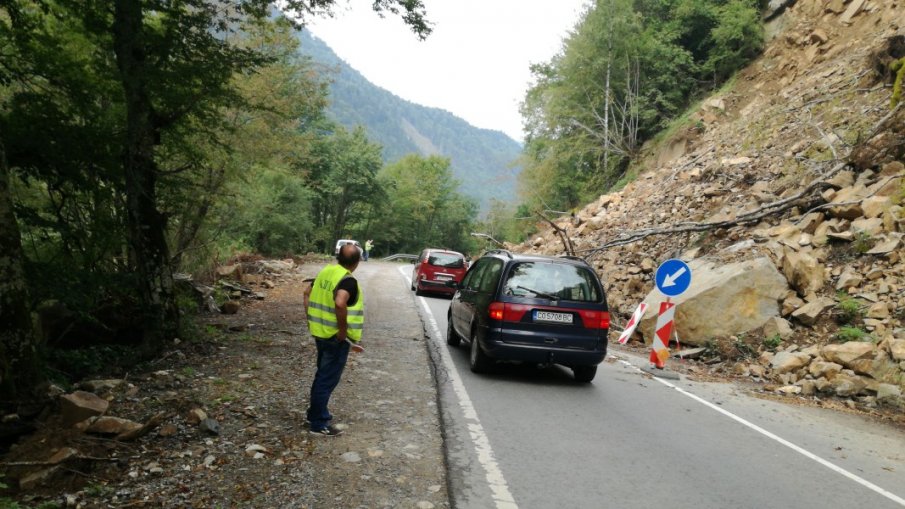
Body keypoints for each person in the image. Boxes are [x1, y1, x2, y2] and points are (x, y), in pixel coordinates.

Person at [302, 243, 365, 437]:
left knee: (322, 374)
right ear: (357, 262)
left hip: (320, 333)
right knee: (327, 379)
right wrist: (343, 332)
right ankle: (318, 423)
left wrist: (310, 317)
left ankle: (314, 414)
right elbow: (340, 302)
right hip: (335, 338)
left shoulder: (326, 272)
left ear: (338, 258)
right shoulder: (347, 281)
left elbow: (306, 293)